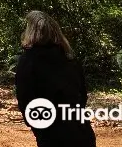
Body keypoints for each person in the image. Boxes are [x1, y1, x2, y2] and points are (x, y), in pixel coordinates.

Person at [15, 10, 96, 147]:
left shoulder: (28, 61)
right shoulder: (69, 58)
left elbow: (25, 100)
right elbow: (82, 96)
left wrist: (39, 129)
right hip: (81, 130)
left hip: (52, 134)